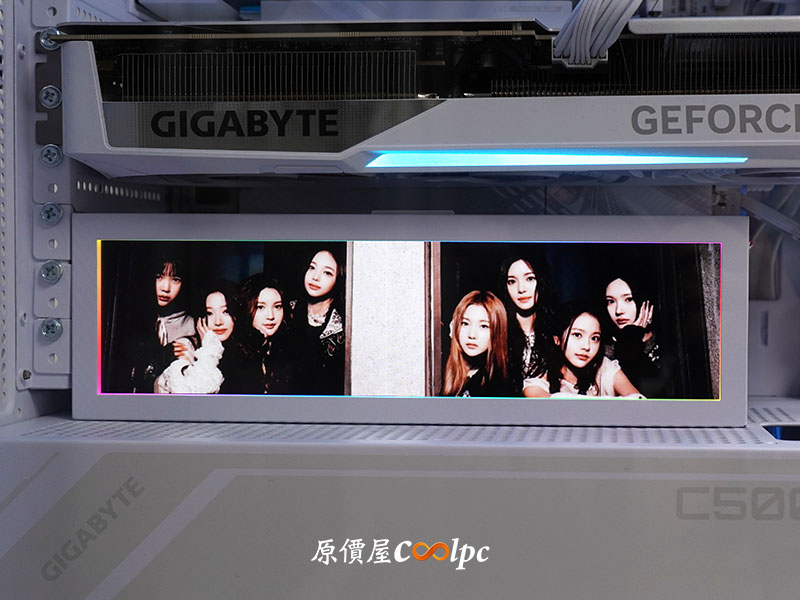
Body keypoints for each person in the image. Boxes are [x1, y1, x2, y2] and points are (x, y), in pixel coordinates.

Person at [523, 303, 643, 398]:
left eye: (594, 338)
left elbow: (638, 402)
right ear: (557, 339)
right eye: (577, 335)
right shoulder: (537, 382)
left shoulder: (604, 368)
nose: (586, 346)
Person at [154, 280, 242, 394]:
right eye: (210, 313)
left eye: (226, 311)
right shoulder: (187, 347)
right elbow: (186, 394)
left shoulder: (244, 352)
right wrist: (210, 348)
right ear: (201, 318)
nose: (218, 322)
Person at [130, 251, 196, 393]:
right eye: (158, 277)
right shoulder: (137, 319)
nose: (165, 288)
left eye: (175, 279)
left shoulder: (191, 327)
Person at [500, 251, 558, 394]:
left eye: (530, 279)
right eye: (512, 281)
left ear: (541, 280)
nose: (521, 289)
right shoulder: (497, 329)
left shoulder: (557, 330)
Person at [290, 248, 345, 395]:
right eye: (312, 267)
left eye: (327, 273)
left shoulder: (345, 324)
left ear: (339, 278)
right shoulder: (288, 312)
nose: (315, 277)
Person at [603, 273, 666, 397]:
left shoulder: (668, 343)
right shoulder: (602, 351)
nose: (618, 311)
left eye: (628, 299)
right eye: (611, 301)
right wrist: (631, 335)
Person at [234, 273, 295, 395]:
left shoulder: (291, 350)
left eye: (277, 307)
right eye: (260, 307)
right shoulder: (233, 354)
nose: (270, 316)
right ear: (247, 308)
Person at [442, 290, 510, 397]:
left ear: (497, 332)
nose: (472, 335)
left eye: (483, 326)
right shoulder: (439, 370)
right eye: (465, 323)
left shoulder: (502, 383)